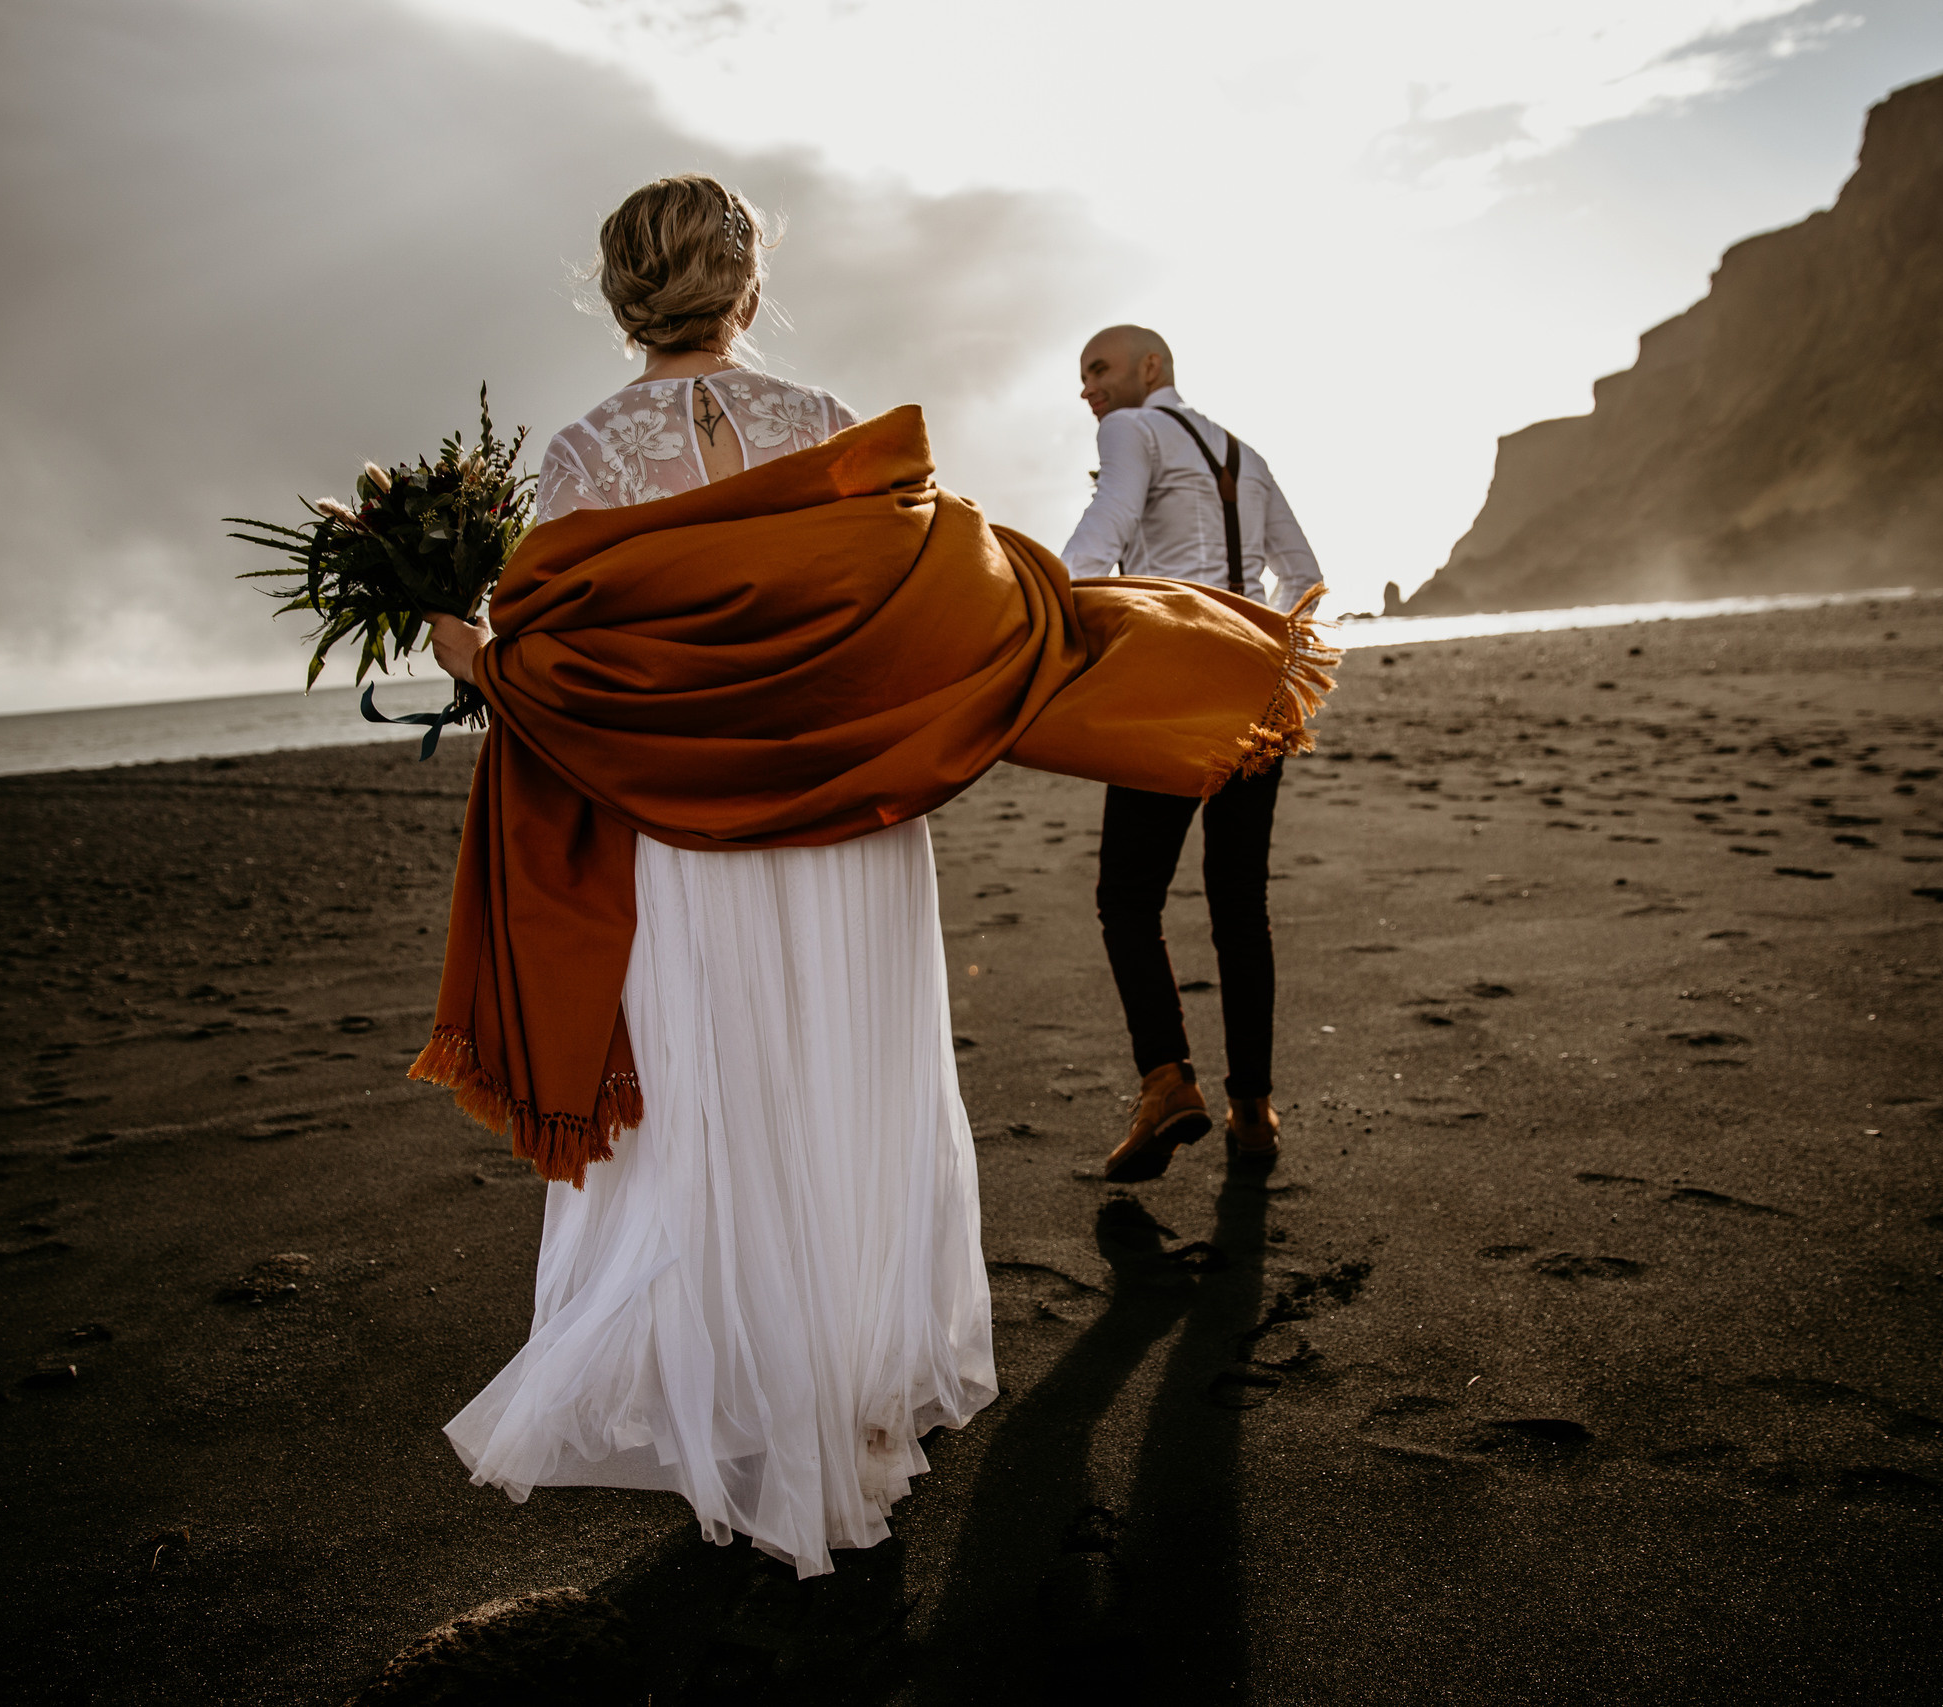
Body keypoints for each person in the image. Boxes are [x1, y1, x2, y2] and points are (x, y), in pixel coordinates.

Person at [425, 176, 995, 1578]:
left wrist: (473, 661)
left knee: (721, 1099)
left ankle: (758, 1414)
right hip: (844, 820)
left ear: (622, 295)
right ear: (747, 282)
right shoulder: (831, 430)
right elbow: (903, 626)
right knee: (851, 1084)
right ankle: (851, 1407)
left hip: (689, 829)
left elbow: (570, 687)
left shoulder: (582, 457)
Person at [1060, 325, 1323, 1183]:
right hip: (1263, 688)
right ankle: (1253, 1110)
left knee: (1128, 895)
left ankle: (1169, 1082)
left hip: (1175, 685)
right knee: (1239, 901)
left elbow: (1109, 523)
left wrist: (1048, 611)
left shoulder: (1129, 431)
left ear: (1152, 368)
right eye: (1083, 376)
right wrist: (1258, 641)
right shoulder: (1245, 452)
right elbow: (1304, 570)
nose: (1089, 388)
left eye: (1100, 368)